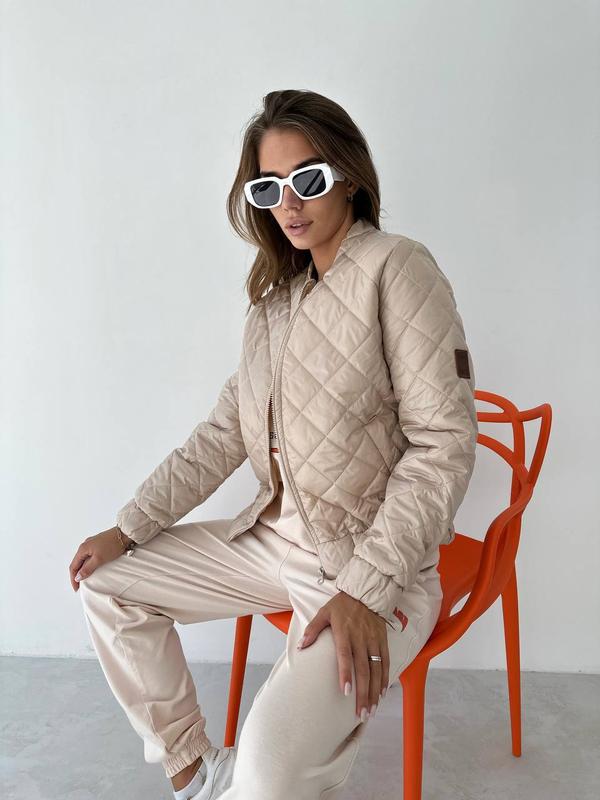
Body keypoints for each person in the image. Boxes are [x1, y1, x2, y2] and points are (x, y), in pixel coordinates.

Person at [69, 88, 478, 800]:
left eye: (308, 179)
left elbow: (443, 444)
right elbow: (224, 432)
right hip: (272, 539)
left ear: (349, 177)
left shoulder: (398, 268)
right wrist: (129, 527)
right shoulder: (274, 303)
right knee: (107, 588)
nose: (289, 203)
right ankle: (197, 774)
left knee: (268, 772)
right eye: (268, 187)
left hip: (368, 564)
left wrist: (365, 590)